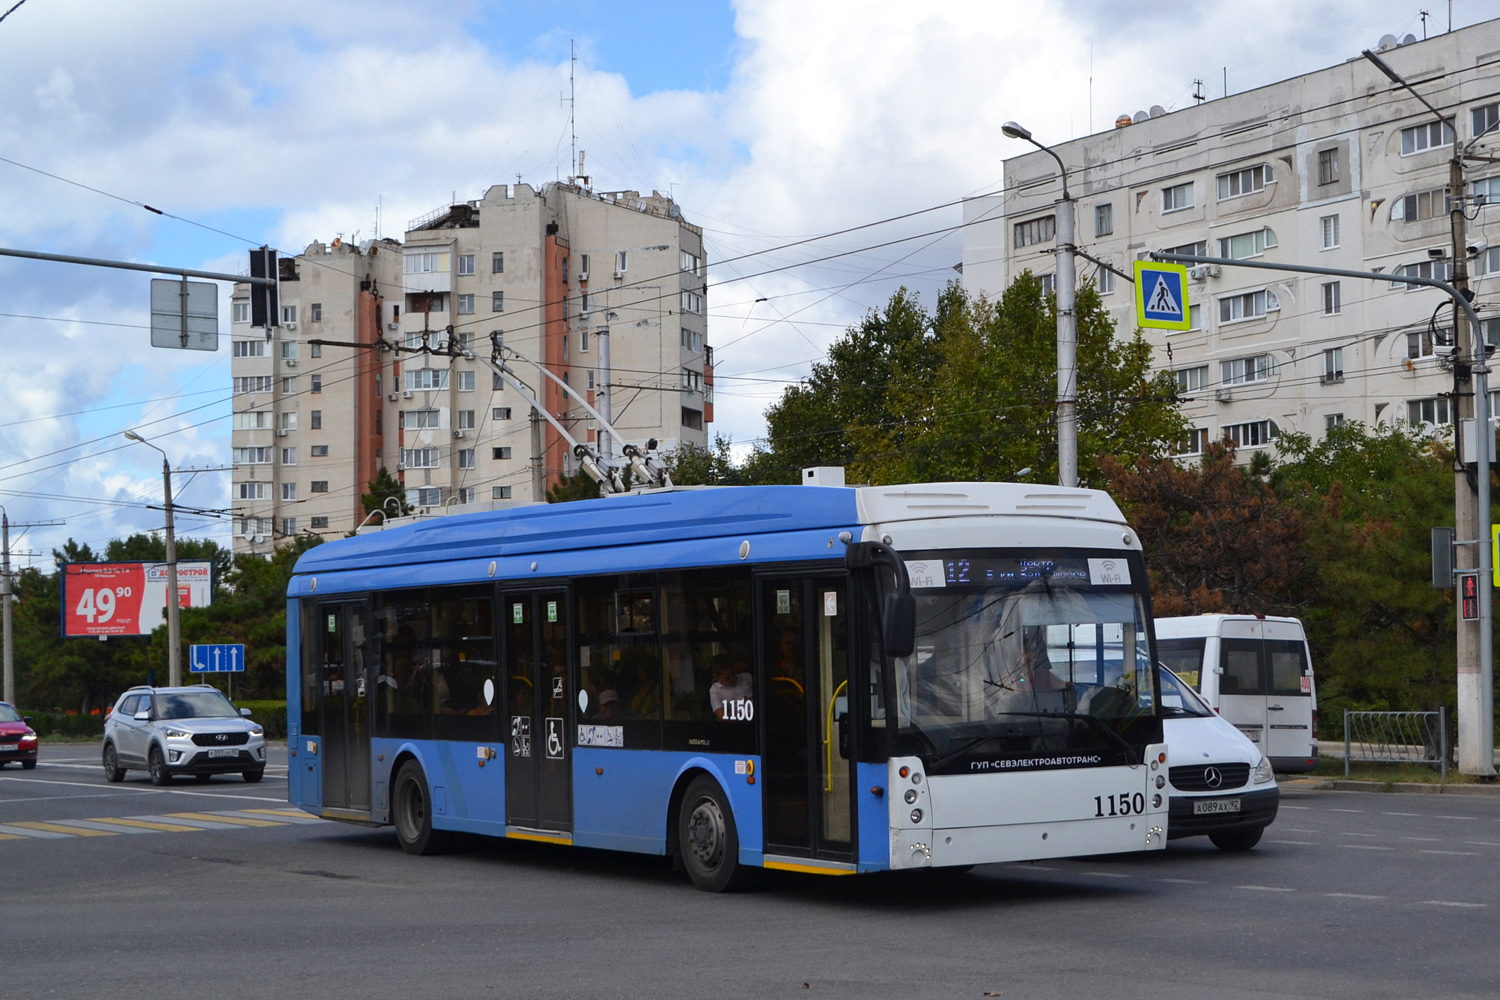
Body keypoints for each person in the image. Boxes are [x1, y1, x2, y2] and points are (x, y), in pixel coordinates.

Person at [709, 654, 753, 720]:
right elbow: (721, 716)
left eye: (733, 674)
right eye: (727, 677)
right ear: (716, 677)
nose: (732, 679)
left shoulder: (747, 677)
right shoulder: (715, 690)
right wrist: (747, 715)